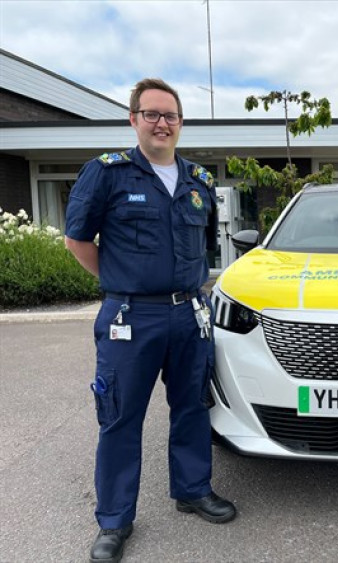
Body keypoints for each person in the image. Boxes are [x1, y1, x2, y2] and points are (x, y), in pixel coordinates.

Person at [65, 78, 235, 563]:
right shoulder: (107, 174)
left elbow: (202, 247)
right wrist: (122, 282)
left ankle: (192, 489)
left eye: (171, 116)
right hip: (131, 316)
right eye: (152, 114)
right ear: (134, 119)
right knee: (120, 418)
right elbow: (77, 240)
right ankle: (114, 521)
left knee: (191, 407)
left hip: (188, 315)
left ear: (181, 123)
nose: (162, 123)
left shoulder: (199, 182)